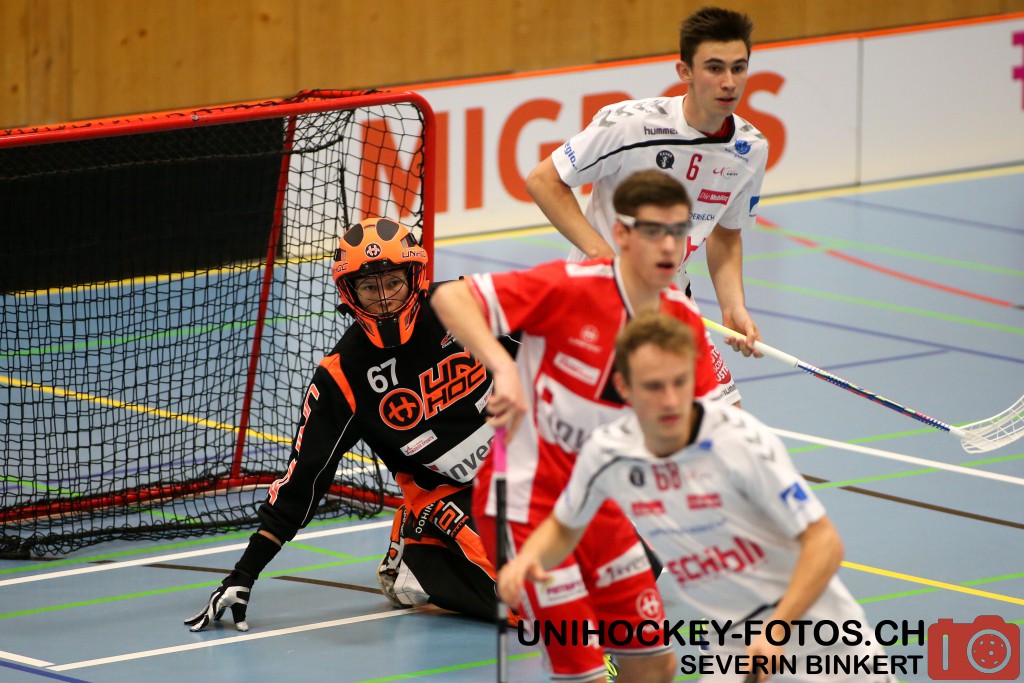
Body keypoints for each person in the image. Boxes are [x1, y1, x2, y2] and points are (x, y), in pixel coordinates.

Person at [430, 170, 734, 682]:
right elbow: (449, 299)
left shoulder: (680, 319)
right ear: (622, 235)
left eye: (679, 231)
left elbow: (704, 426)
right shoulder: (570, 287)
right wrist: (503, 368)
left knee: (655, 664)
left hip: (600, 507)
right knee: (584, 671)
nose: (670, 246)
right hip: (526, 503)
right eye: (654, 231)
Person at [498, 312, 897, 683]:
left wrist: (776, 631)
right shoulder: (608, 451)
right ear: (624, 387)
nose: (671, 401)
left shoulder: (738, 442)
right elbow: (565, 527)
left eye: (680, 382)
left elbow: (824, 543)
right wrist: (529, 560)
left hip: (817, 632)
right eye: (654, 386)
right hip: (732, 641)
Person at [185, 216, 510, 632]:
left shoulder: (466, 304)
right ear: (349, 293)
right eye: (369, 288)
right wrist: (244, 573)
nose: (385, 299)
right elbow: (304, 479)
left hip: (527, 467)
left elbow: (552, 337)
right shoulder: (342, 378)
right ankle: (416, 553)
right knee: (529, 597)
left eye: (394, 283)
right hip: (448, 496)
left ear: (415, 278)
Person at [526, 6, 766, 364]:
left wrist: (734, 307)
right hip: (597, 300)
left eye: (738, 67)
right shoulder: (630, 125)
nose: (729, 82)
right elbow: (544, 180)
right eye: (715, 68)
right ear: (685, 71)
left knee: (719, 402)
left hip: (670, 303)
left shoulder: (750, 149)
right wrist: (604, 258)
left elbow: (726, 235)